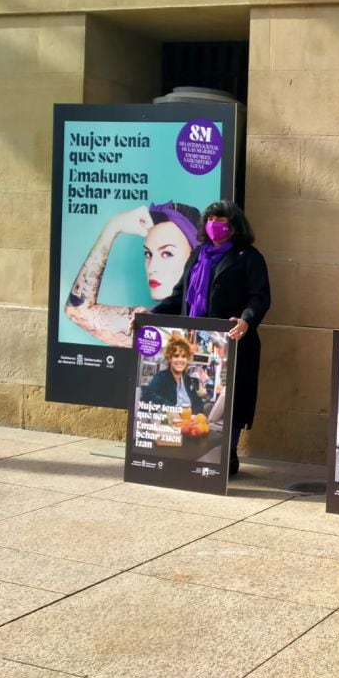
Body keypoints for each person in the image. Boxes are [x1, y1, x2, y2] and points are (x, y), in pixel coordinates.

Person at [148, 201, 270, 476]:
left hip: (232, 343)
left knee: (230, 401)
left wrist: (246, 320)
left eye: (223, 221)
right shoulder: (198, 255)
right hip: (193, 343)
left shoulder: (248, 256)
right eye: (211, 219)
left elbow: (259, 297)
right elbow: (179, 295)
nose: (216, 225)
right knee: (195, 399)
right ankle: (189, 452)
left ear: (235, 225)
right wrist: (151, 315)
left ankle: (228, 454)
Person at [65, 202, 201, 346]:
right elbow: (77, 311)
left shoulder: (215, 318)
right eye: (148, 254)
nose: (152, 267)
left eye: (167, 253)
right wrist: (113, 227)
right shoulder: (148, 321)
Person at [140, 335, 205, 416]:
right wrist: (173, 409)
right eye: (176, 356)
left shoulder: (187, 379)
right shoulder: (161, 377)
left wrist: (195, 415)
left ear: (187, 359)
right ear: (169, 358)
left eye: (184, 356)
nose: (180, 360)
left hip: (187, 424)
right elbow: (147, 394)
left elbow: (198, 402)